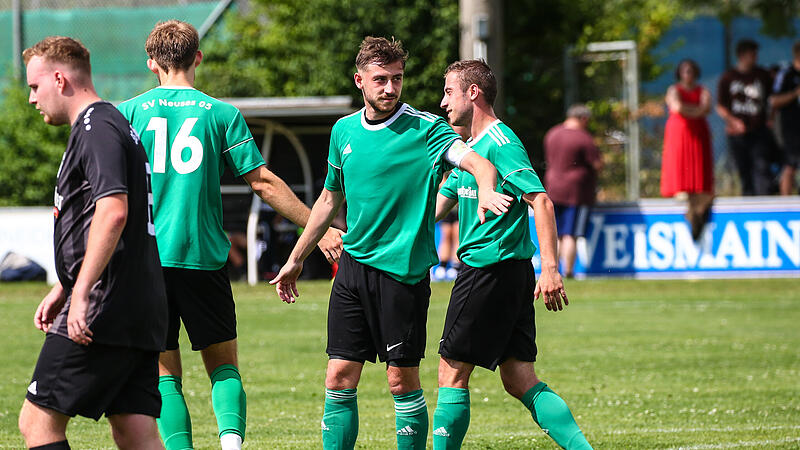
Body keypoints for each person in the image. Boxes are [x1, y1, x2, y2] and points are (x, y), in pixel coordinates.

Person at [270, 37, 512, 449]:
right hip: (352, 271)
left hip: (402, 274)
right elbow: (329, 199)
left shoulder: (426, 129)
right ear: (359, 80)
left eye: (396, 79)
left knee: (401, 381)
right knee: (338, 376)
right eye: (380, 79)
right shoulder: (343, 130)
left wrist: (487, 189)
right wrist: (296, 258)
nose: (389, 88)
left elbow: (476, 161)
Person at [117, 21, 343, 450]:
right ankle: (231, 446)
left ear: (151, 64)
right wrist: (319, 225)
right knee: (223, 368)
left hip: (148, 262)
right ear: (197, 57)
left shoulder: (127, 113)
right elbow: (264, 183)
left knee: (165, 373)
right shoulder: (221, 114)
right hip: (203, 258)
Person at [434, 59, 592, 450]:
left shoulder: (501, 143)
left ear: (474, 92)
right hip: (506, 274)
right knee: (519, 378)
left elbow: (541, 200)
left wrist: (551, 269)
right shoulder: (470, 150)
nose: (442, 103)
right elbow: (437, 205)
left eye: (449, 91)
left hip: (489, 270)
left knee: (450, 372)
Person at [18, 36, 167, 449]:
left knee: (38, 424)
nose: (33, 98)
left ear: (60, 79)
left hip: (105, 301)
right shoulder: (114, 124)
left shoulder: (96, 125)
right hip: (137, 303)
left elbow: (113, 211)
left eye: (35, 86)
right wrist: (63, 287)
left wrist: (80, 293)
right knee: (135, 431)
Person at [543, 104, 602, 278]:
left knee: (558, 233)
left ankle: (556, 269)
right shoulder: (583, 138)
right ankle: (569, 271)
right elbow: (597, 164)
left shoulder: (552, 133)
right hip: (575, 193)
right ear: (584, 119)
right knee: (570, 234)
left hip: (552, 188)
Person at [662, 59, 714, 239]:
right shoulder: (674, 90)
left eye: (691, 71)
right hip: (681, 132)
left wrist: (689, 111)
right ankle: (691, 211)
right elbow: (677, 107)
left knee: (699, 170)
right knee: (681, 165)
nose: (688, 75)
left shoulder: (703, 90)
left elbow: (706, 108)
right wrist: (695, 111)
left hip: (698, 133)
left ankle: (697, 213)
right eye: (685, 71)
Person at [716, 39, 775, 196]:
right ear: (741, 55)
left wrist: (771, 119)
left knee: (762, 168)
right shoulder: (728, 77)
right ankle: (748, 204)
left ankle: (765, 206)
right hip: (737, 134)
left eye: (756, 54)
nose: (755, 57)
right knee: (744, 171)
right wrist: (733, 122)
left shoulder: (762, 75)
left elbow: (773, 100)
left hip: (759, 130)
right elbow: (720, 106)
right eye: (752, 54)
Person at [770, 41, 800, 195]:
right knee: (790, 165)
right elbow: (774, 100)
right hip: (791, 129)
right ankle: (785, 204)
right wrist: (795, 94)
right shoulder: (786, 74)